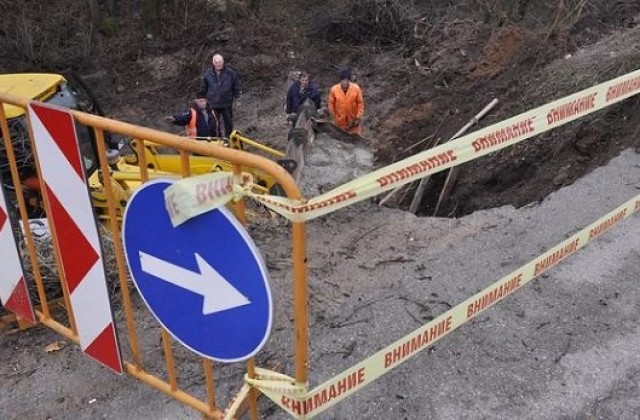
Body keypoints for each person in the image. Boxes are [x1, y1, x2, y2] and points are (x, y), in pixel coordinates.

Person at [198, 53, 241, 138]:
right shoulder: (208, 73)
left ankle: (228, 139)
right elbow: (203, 88)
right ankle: (217, 139)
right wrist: (201, 99)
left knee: (228, 122)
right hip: (213, 103)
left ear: (223, 62)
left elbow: (236, 86)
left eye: (220, 62)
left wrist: (238, 99)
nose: (218, 64)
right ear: (213, 63)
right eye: (216, 62)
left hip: (226, 103)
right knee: (214, 123)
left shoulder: (230, 73)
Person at [327, 68, 365, 135]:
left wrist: (358, 117)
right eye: (343, 80)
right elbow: (331, 104)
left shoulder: (356, 89)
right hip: (340, 122)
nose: (345, 82)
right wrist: (333, 115)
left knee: (356, 139)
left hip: (353, 121)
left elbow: (360, 103)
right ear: (340, 80)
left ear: (349, 80)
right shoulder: (334, 90)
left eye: (347, 80)